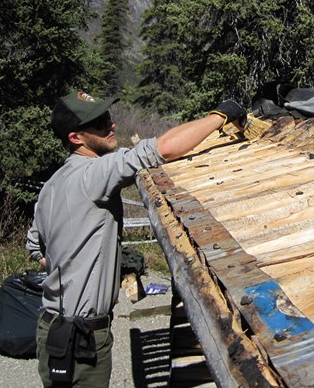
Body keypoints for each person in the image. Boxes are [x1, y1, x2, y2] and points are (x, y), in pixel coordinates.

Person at [26, 91, 246, 387]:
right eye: (101, 123)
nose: (112, 125)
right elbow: (164, 149)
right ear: (76, 138)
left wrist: (80, 266)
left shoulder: (51, 186)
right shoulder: (93, 174)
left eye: (108, 117)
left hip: (52, 324)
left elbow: (34, 247)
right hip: (80, 334)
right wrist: (220, 116)